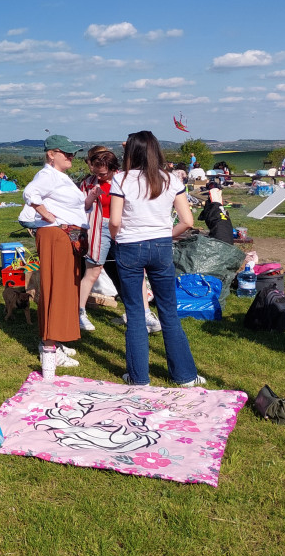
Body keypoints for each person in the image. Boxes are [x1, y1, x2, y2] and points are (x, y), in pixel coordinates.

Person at [109, 130, 203, 388]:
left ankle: (139, 377)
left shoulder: (121, 180)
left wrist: (117, 237)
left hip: (129, 247)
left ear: (131, 152)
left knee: (136, 313)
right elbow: (188, 221)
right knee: (169, 311)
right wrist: (164, 235)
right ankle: (184, 375)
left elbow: (115, 220)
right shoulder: (172, 179)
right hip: (161, 246)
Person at [20, 136, 87, 369]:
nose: (71, 156)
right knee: (56, 289)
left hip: (64, 235)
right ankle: (49, 345)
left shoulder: (59, 176)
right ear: (51, 154)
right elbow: (30, 193)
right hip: (56, 235)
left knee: (64, 288)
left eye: (73, 153)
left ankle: (54, 339)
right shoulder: (47, 175)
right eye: (66, 152)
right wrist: (46, 213)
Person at [76, 146, 120, 331]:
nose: (99, 176)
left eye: (103, 173)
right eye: (96, 172)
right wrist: (91, 197)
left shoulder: (123, 180)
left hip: (121, 227)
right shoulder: (88, 183)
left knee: (131, 271)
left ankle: (139, 312)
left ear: (112, 168)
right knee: (93, 270)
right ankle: (80, 312)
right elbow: (81, 207)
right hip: (98, 226)